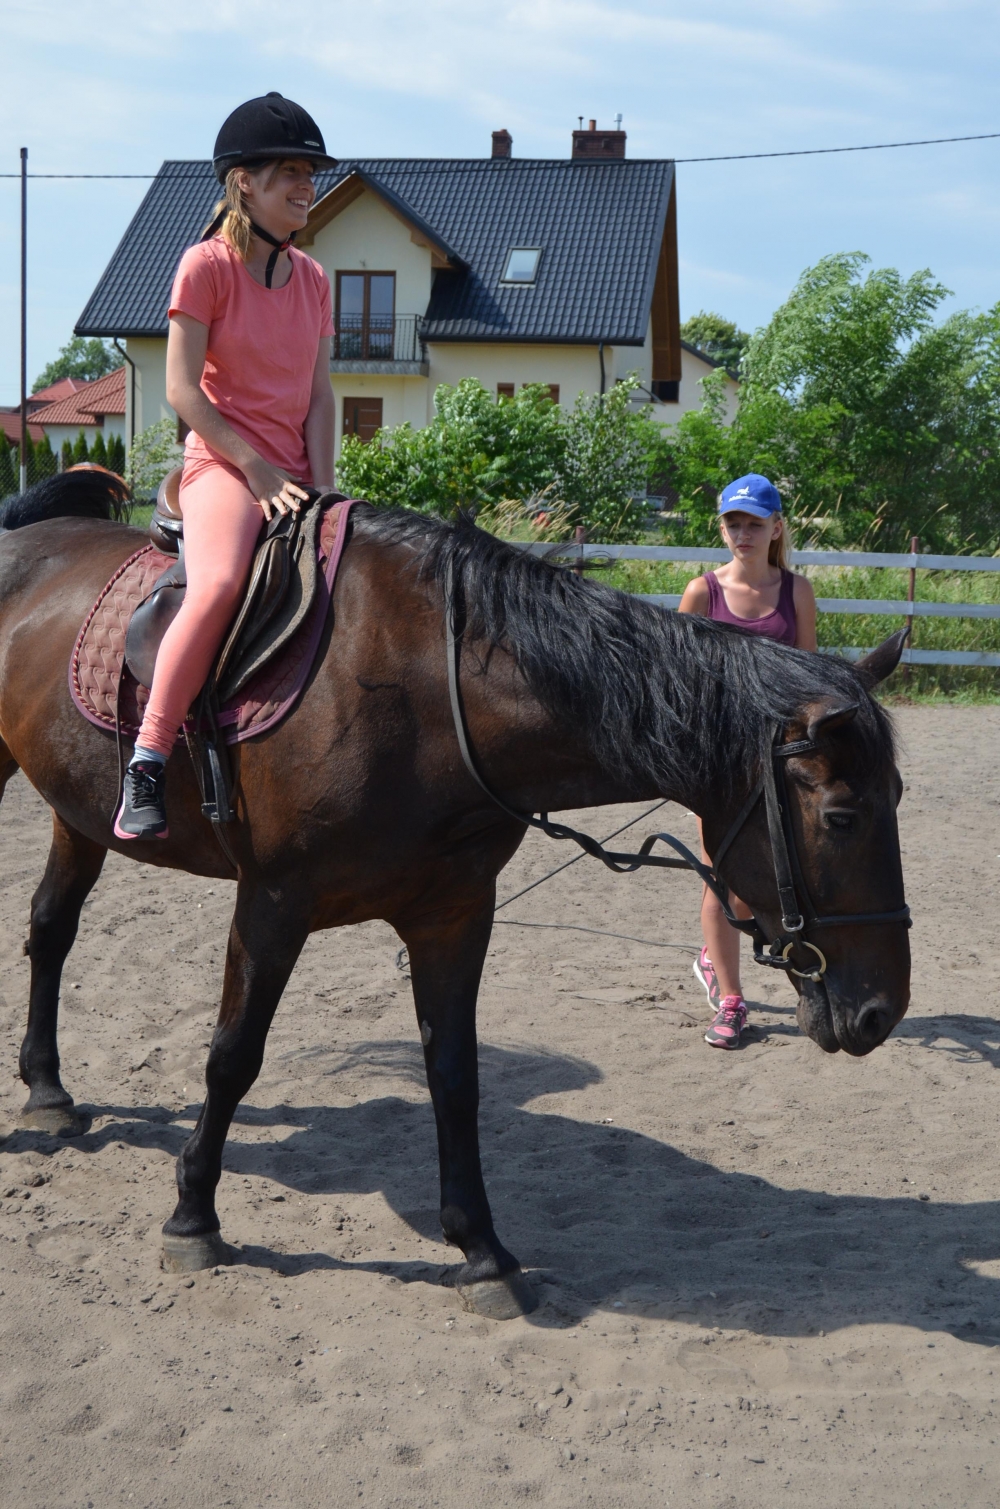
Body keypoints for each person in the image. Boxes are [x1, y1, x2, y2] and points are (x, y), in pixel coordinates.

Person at [115, 93, 338, 841]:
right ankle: (148, 759)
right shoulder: (204, 265)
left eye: (310, 173)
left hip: (298, 474)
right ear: (244, 181)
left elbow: (320, 395)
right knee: (215, 586)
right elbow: (181, 390)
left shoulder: (314, 278)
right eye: (290, 173)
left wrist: (324, 487)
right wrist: (257, 468)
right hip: (224, 466)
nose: (306, 186)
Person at [678, 473, 818, 1049]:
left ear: (776, 528)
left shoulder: (797, 592)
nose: (743, 533)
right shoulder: (701, 593)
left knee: (788, 870)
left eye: (755, 523)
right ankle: (732, 1000)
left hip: (780, 757)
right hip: (719, 760)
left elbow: (809, 680)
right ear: (722, 529)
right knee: (723, 877)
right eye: (733, 523)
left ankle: (742, 962)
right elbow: (681, 684)